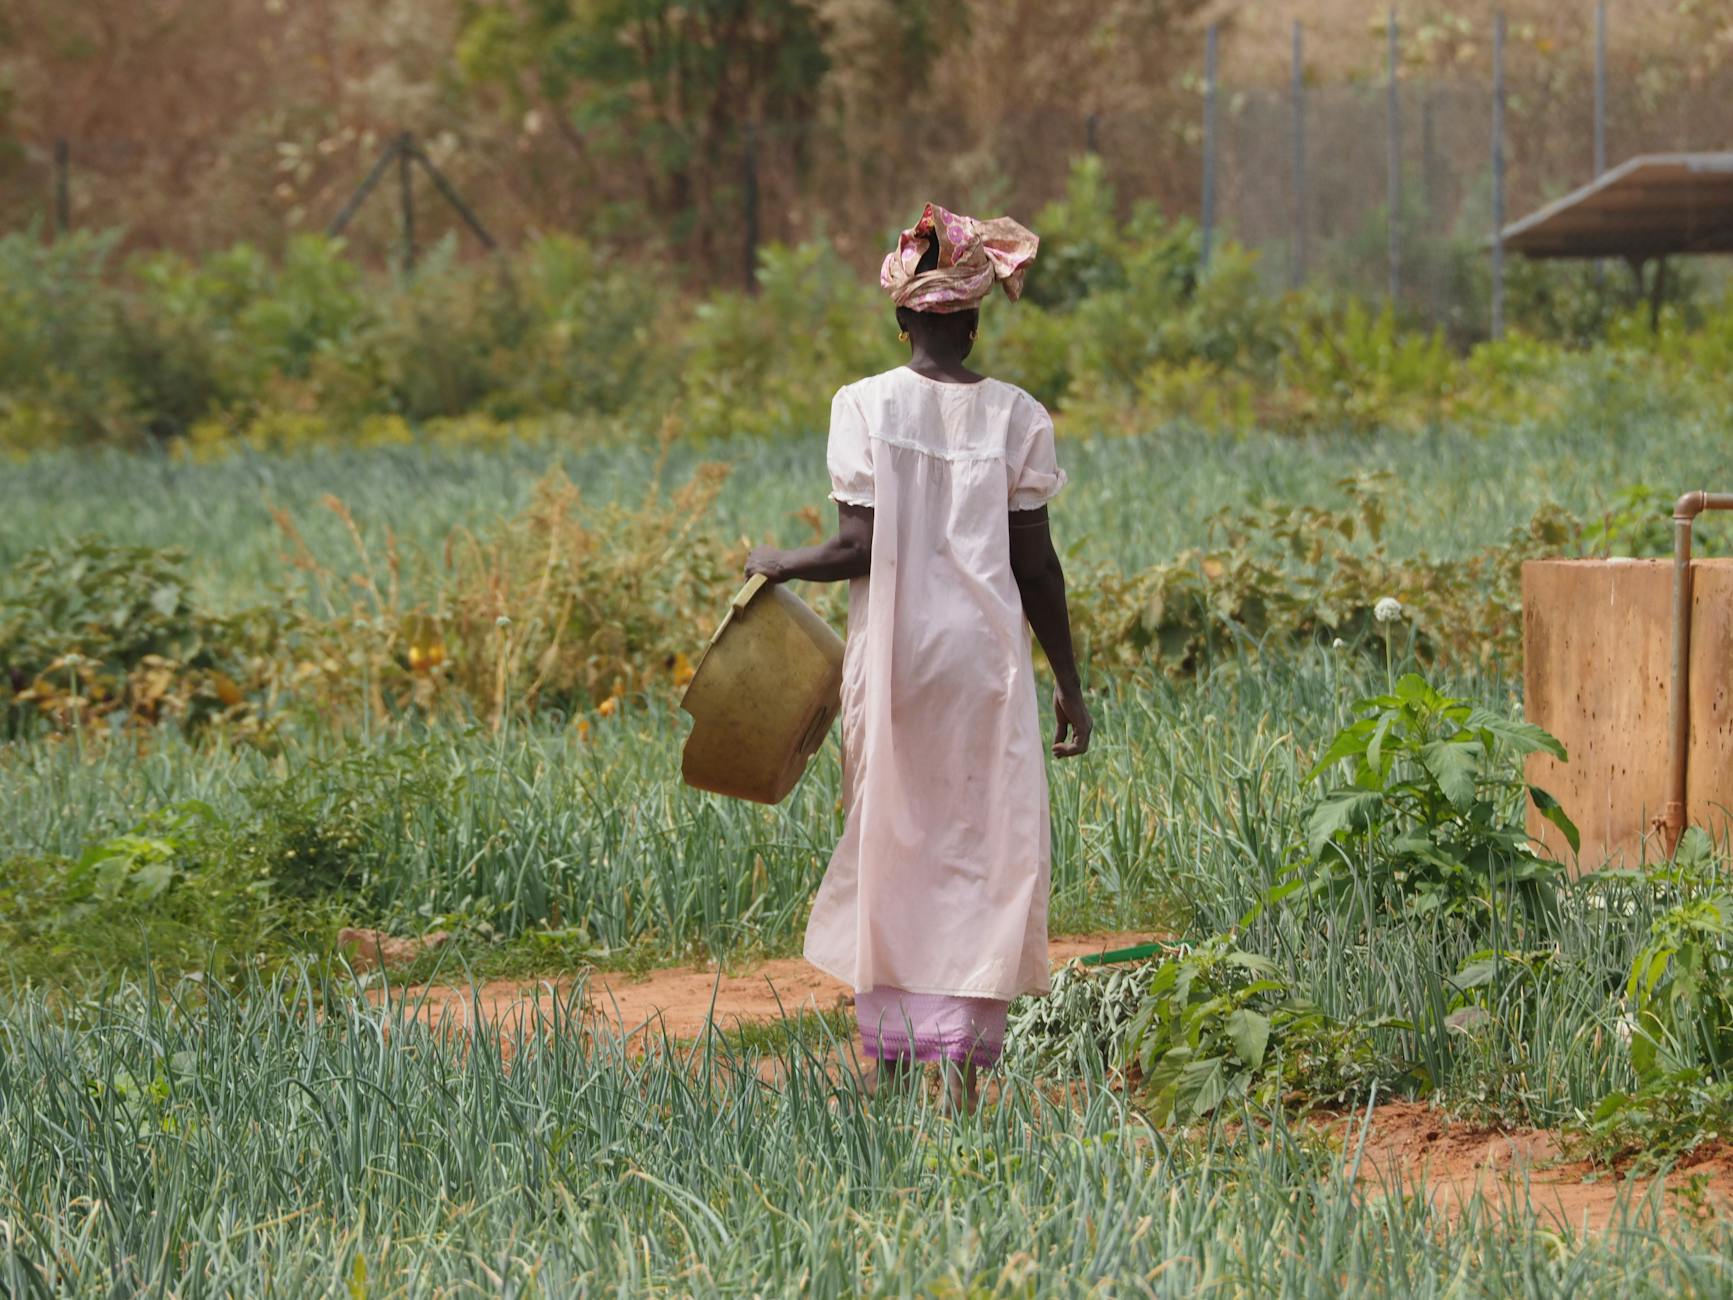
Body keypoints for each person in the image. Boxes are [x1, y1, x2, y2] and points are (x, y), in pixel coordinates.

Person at [745, 203, 1092, 1111]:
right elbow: (1037, 567)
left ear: (903, 317)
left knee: (894, 840)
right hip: (984, 668)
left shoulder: (862, 405)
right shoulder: (1017, 416)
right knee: (983, 844)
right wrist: (1068, 683)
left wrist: (777, 561)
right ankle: (967, 1079)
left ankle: (892, 1066)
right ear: (973, 319)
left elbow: (858, 548)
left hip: (896, 663)